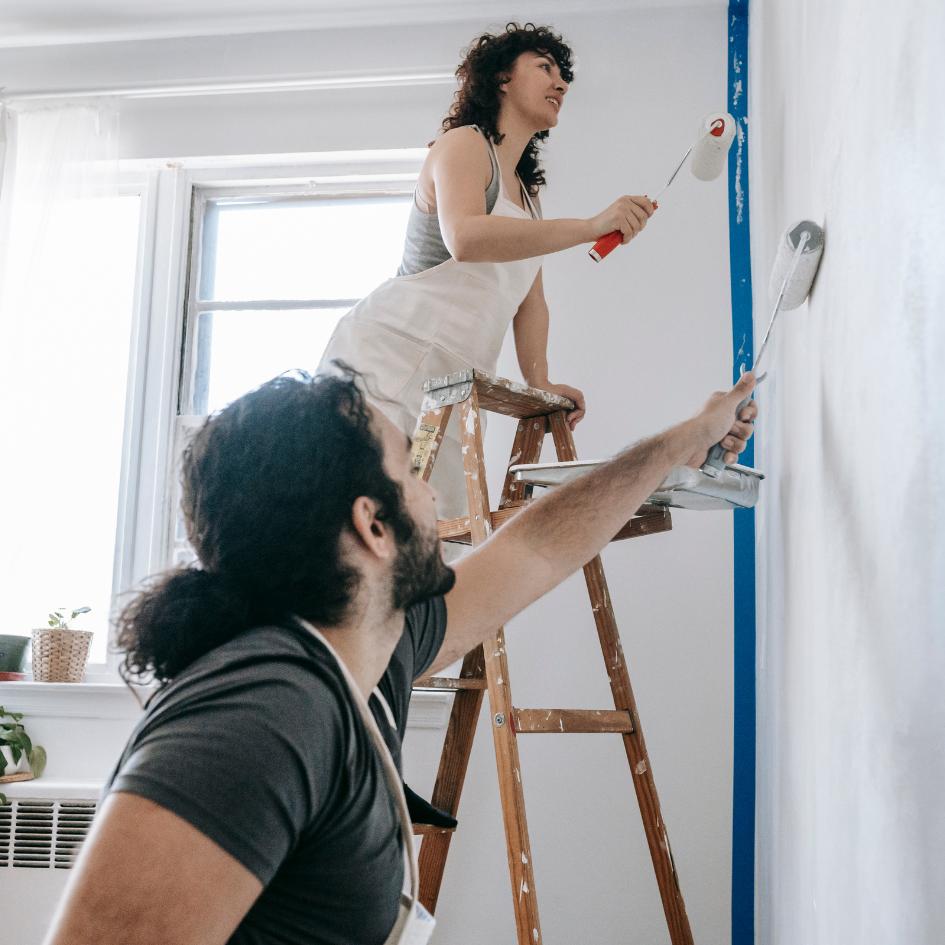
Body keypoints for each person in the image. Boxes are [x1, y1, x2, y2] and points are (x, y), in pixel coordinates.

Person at [43, 366, 756, 945]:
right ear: (373, 525)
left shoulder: (368, 649)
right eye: (411, 467)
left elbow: (536, 548)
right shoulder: (260, 716)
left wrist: (680, 442)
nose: (433, 488)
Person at [317, 23, 657, 517]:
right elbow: (467, 238)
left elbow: (530, 302)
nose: (562, 83)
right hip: (391, 359)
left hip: (454, 386)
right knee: (369, 520)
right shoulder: (463, 145)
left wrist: (541, 380)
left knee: (433, 540)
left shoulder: (527, 194)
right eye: (545, 68)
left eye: (564, 75)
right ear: (501, 77)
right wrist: (590, 226)